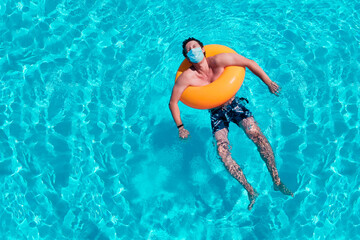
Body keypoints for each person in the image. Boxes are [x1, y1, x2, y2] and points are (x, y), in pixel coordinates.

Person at [169, 37, 294, 210]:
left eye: (195, 47)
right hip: (216, 114)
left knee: (255, 135)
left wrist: (268, 82)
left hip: (234, 105)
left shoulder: (219, 60)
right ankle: (250, 190)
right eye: (189, 50)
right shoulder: (187, 77)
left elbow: (249, 62)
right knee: (222, 151)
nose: (193, 51)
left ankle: (276, 180)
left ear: (203, 49)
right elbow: (173, 102)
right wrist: (180, 127)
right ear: (187, 57)